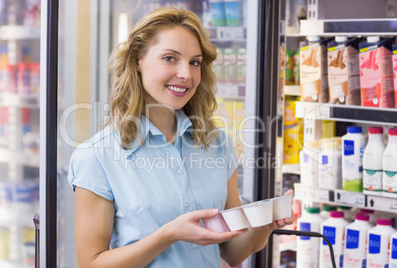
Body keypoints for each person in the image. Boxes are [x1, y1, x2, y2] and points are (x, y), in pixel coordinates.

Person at [67, 6, 294, 268]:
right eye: (170, 58)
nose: (186, 74)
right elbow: (91, 263)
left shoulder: (217, 144)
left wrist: (263, 225)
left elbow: (231, 252)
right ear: (138, 61)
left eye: (194, 62)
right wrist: (168, 235)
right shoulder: (97, 156)